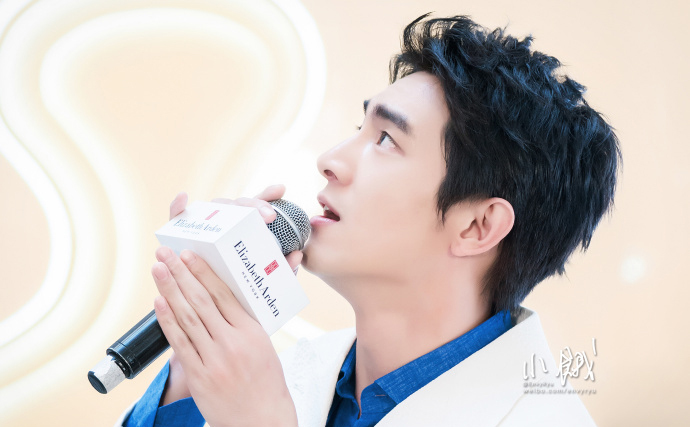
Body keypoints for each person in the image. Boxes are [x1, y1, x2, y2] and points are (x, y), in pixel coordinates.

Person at [117, 14, 619, 427]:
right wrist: (194, 357)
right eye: (360, 128)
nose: (330, 160)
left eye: (386, 140)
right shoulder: (288, 375)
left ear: (476, 227)